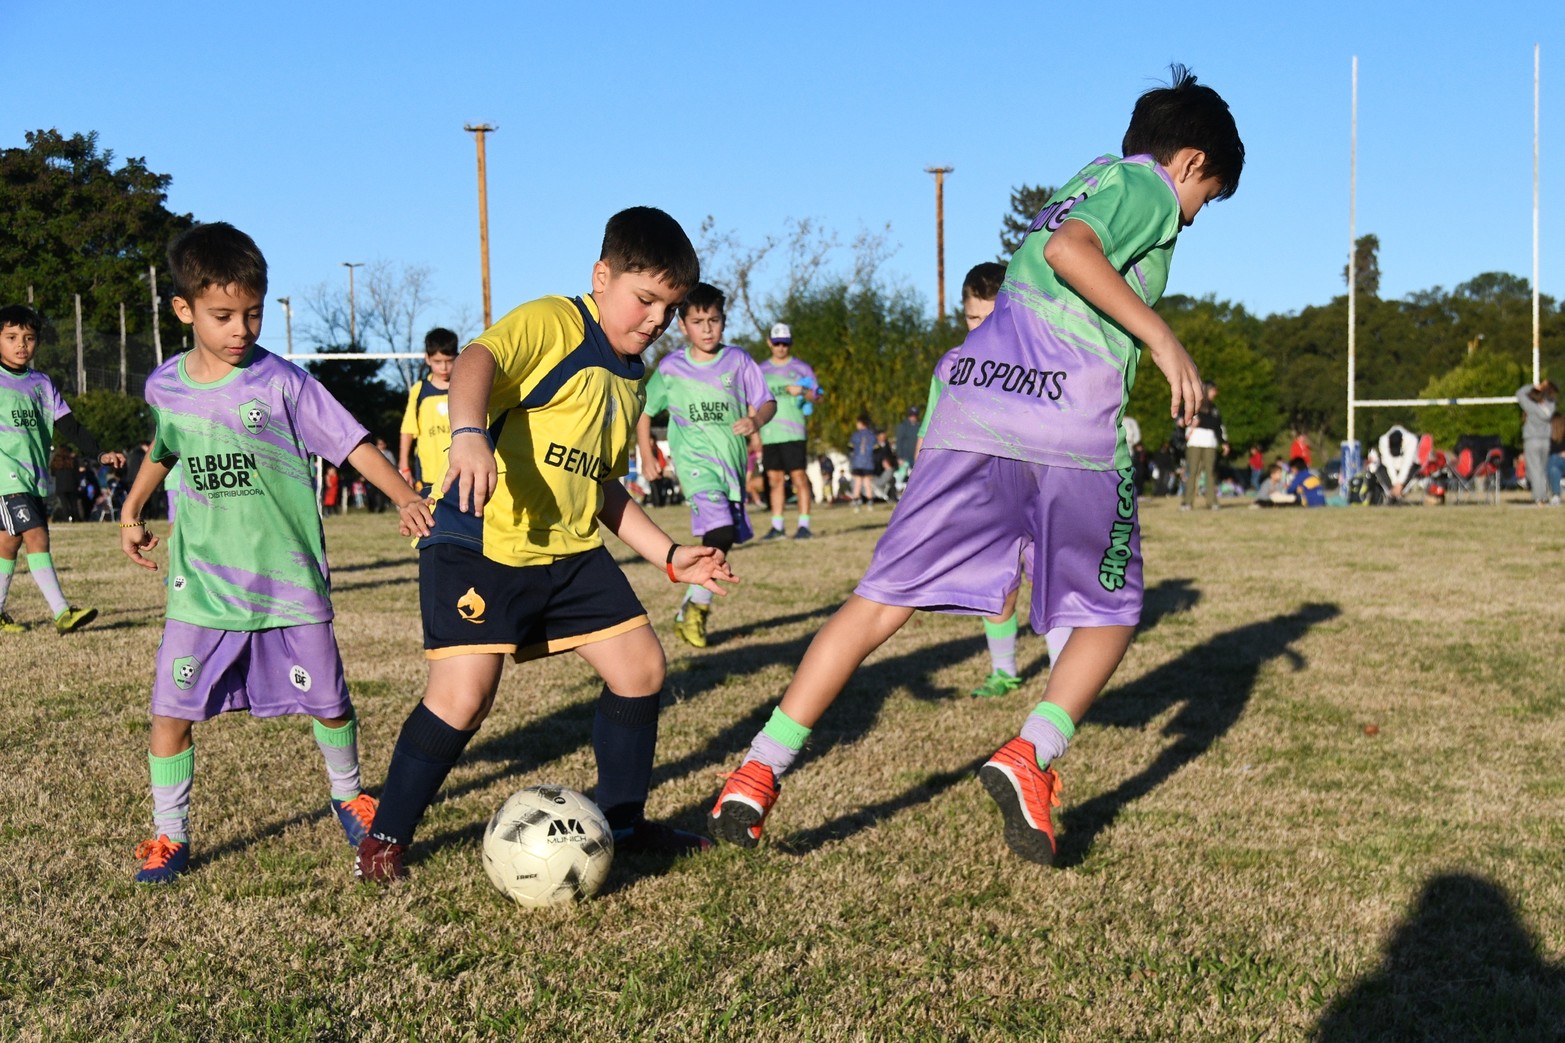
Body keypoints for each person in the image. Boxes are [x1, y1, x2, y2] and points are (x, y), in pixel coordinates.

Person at [710, 66, 1243, 864]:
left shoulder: (1087, 178)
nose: (1194, 216)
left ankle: (756, 771)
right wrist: (1164, 340)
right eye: (1207, 197)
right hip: (1066, 422)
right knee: (1110, 610)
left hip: (974, 410)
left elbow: (1054, 246)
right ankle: (1031, 754)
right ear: (1191, 161)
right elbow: (1069, 251)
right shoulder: (1148, 188)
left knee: (877, 602)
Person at [356, 207, 736, 884]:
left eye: (669, 308)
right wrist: (468, 433)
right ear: (602, 276)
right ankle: (385, 837)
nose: (655, 320)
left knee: (640, 668)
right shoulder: (556, 322)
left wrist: (668, 555)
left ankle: (622, 822)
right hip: (479, 539)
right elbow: (478, 359)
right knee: (464, 697)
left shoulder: (630, 375)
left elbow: (602, 484)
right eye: (644, 299)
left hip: (567, 550)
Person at [117, 222, 435, 884]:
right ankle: (170, 834)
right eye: (223, 316)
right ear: (184, 310)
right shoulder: (165, 386)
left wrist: (404, 494)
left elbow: (350, 442)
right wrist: (133, 506)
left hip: (287, 582)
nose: (241, 330)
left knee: (330, 702)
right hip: (203, 587)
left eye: (253, 314)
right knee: (170, 711)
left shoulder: (283, 383)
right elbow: (166, 446)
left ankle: (349, 796)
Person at [917, 262, 1070, 699]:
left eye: (993, 317)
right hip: (982, 494)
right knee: (998, 584)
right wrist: (920, 487)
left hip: (1039, 490)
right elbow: (931, 431)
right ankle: (1004, 672)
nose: (982, 327)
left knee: (1050, 583)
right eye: (973, 318)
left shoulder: (1041, 359)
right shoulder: (951, 366)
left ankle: (1063, 679)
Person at [635, 281, 775, 649]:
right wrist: (647, 455)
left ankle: (691, 606)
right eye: (698, 322)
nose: (707, 329)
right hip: (695, 466)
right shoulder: (671, 368)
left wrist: (756, 420)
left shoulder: (738, 361)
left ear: (723, 321)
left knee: (722, 537)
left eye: (714, 320)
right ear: (683, 325)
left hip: (732, 466)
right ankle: (696, 607)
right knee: (721, 529)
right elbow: (645, 411)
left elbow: (767, 402)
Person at [0, 304, 123, 634]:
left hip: (34, 478)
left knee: (8, 544)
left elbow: (70, 426)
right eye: (11, 337)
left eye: (28, 338)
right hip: (6, 477)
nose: (21, 344)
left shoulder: (42, 383)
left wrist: (99, 454)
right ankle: (62, 612)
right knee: (37, 535)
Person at [758, 322, 819, 540]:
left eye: (785, 343)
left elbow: (818, 396)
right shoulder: (761, 370)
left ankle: (804, 526)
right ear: (769, 343)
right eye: (777, 343)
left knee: (799, 477)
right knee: (774, 480)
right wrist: (755, 432)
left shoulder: (802, 368)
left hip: (794, 433)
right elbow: (753, 402)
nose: (781, 347)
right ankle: (777, 527)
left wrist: (802, 391)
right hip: (769, 433)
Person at [399, 328, 458, 498]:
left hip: (461, 473)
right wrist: (404, 466)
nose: (444, 367)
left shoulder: (464, 388)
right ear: (427, 358)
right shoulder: (419, 391)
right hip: (429, 477)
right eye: (438, 361)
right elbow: (408, 431)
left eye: (449, 361)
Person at [1180, 380, 1227, 510]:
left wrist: (1224, 443)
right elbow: (1184, 419)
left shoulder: (1214, 408)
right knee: (1192, 472)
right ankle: (1187, 502)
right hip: (1195, 442)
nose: (1215, 393)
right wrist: (1193, 422)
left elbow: (1217, 426)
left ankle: (1212, 502)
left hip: (1210, 442)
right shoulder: (1195, 405)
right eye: (1213, 390)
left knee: (1210, 472)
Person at [1516, 381, 1557, 506]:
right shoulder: (1551, 406)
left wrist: (1533, 387)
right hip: (1545, 441)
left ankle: (1539, 498)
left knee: (1534, 469)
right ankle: (1543, 495)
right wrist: (1543, 389)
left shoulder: (1531, 407)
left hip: (1532, 440)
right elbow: (1550, 397)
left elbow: (1519, 393)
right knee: (1542, 469)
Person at [1377, 423, 1418, 502]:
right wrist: (1395, 483)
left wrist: (1399, 484)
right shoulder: (1383, 440)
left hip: (1406, 467)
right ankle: (1392, 494)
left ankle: (1398, 493)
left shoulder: (1412, 440)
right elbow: (1388, 463)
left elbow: (1407, 463)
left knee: (1414, 467)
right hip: (1390, 468)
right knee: (1379, 468)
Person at [848, 413, 876, 509]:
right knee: (867, 482)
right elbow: (876, 449)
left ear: (861, 423)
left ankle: (856, 500)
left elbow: (850, 448)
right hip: (868, 463)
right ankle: (870, 501)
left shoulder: (856, 435)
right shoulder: (872, 435)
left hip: (857, 462)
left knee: (858, 482)